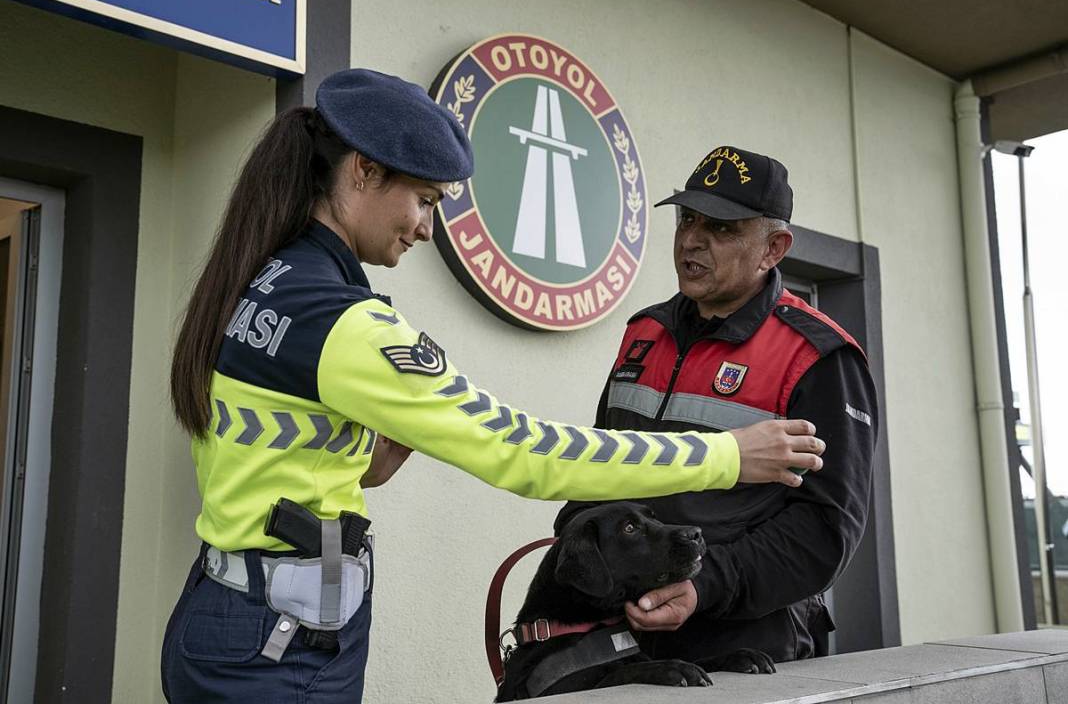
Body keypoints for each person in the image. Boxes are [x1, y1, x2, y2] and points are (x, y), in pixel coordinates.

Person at [160, 72, 826, 704]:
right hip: (279, 643)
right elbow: (528, 454)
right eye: (424, 200)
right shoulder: (343, 323)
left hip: (232, 617)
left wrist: (356, 463)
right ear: (362, 170)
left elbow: (264, 451)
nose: (425, 227)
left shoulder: (267, 281)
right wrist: (730, 455)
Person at [556, 145, 878, 665]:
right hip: (621, 631)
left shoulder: (818, 355)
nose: (691, 240)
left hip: (744, 639)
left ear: (774, 248)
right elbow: (600, 464)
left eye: (722, 228)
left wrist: (704, 585)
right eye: (687, 219)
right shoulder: (646, 332)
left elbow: (824, 530)